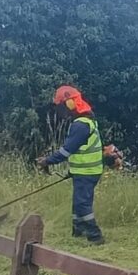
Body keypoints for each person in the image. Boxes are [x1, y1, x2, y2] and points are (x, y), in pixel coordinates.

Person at [36, 85, 105, 245]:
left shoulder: (81, 125)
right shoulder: (84, 121)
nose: (59, 110)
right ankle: (77, 232)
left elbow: (67, 151)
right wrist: (73, 170)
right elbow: (78, 152)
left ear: (70, 104)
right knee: (77, 202)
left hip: (87, 172)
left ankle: (95, 237)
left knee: (82, 204)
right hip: (84, 171)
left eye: (60, 106)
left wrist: (47, 161)